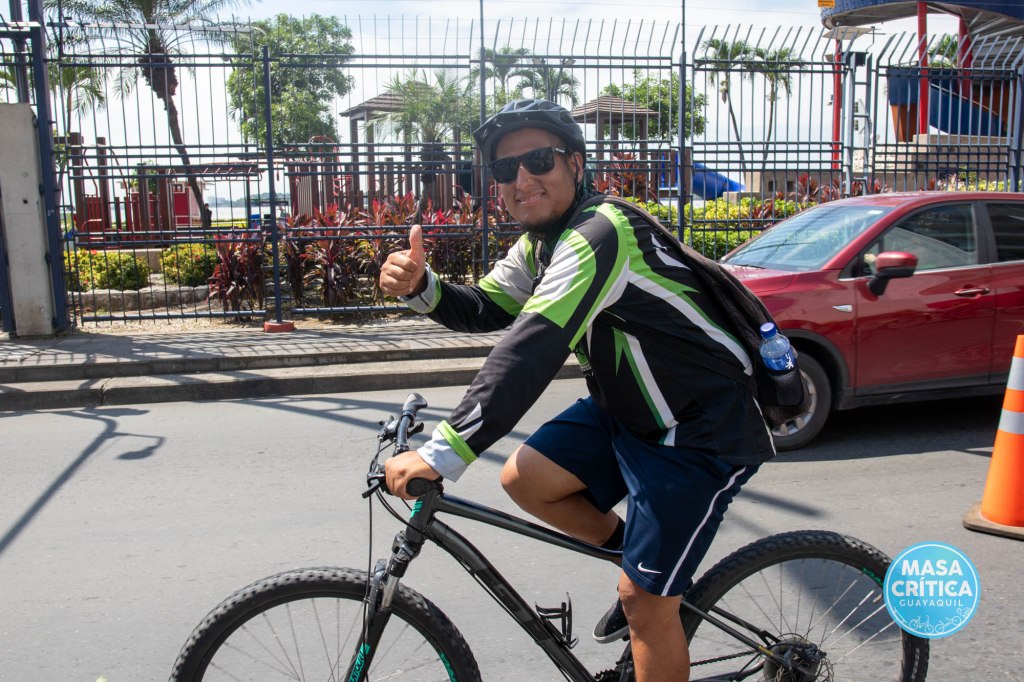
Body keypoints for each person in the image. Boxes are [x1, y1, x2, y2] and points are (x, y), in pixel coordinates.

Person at [379, 99, 775, 682]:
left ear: (576, 164)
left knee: (645, 606)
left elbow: (530, 348)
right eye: (505, 169)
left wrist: (442, 452)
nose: (522, 179)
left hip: (698, 430)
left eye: (539, 160)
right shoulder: (542, 243)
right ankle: (646, 565)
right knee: (526, 479)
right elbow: (488, 306)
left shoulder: (600, 234)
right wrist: (424, 287)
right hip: (630, 412)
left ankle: (651, 593)